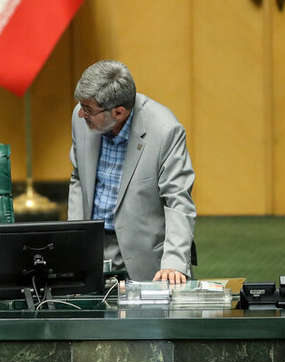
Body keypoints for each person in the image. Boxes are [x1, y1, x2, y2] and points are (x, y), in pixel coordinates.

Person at [68, 60, 196, 283]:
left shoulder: (165, 131)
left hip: (147, 258)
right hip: (93, 250)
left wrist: (174, 262)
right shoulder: (82, 119)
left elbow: (178, 200)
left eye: (88, 110)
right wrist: (73, 241)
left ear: (118, 112)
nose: (81, 114)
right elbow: (78, 178)